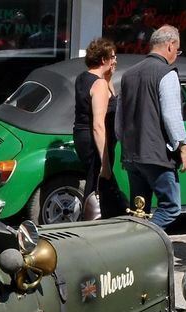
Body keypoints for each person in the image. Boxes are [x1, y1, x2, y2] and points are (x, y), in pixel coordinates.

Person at [116, 25, 186, 229]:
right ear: (170, 45)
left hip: (132, 153)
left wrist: (125, 142)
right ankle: (145, 241)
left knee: (139, 210)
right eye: (178, 50)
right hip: (156, 154)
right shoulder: (166, 73)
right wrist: (182, 146)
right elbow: (171, 114)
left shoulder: (128, 74)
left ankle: (135, 254)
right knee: (171, 207)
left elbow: (119, 118)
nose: (177, 54)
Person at [72, 38, 126, 220]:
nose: (115, 60)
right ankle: (95, 223)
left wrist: (109, 78)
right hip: (97, 143)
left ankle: (106, 219)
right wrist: (105, 161)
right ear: (103, 59)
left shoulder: (83, 78)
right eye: (112, 56)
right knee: (99, 183)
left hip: (82, 136)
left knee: (99, 185)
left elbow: (110, 100)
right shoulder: (99, 84)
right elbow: (98, 124)